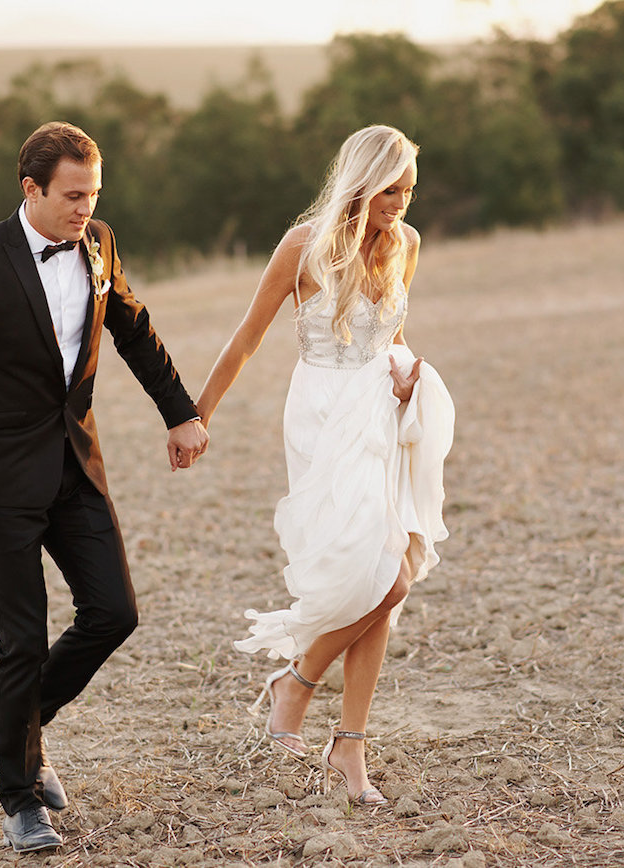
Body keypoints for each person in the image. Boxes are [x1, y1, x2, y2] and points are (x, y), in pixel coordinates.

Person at [0, 121, 208, 852]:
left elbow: (133, 330)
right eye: (72, 195)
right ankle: (20, 795)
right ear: (31, 189)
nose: (85, 208)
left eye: (93, 194)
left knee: (115, 612)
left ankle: (18, 728)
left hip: (78, 468)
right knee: (22, 640)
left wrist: (181, 414)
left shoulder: (100, 244)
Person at [192, 124, 454, 806]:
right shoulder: (303, 246)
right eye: (390, 190)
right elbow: (246, 337)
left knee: (386, 578)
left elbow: (390, 336)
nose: (400, 203)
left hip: (380, 413)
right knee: (379, 581)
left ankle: (349, 747)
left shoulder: (407, 244)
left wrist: (405, 378)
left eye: (409, 190)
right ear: (361, 182)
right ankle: (299, 683)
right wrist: (198, 414)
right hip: (319, 417)